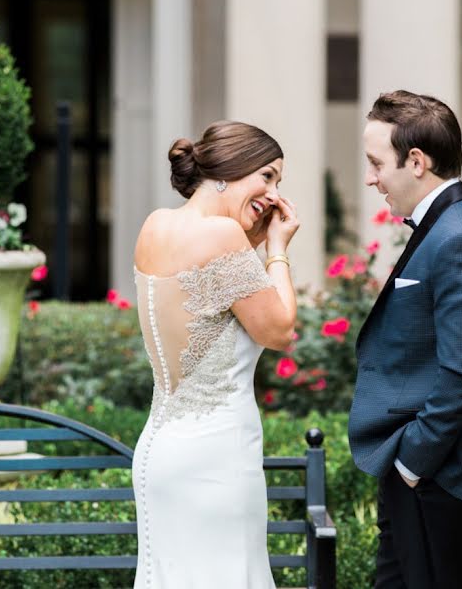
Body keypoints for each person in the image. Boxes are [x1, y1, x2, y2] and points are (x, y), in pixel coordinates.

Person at [348, 90, 462, 589]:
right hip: (424, 471)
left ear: (416, 161)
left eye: (376, 163)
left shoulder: (459, 234)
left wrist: (410, 463)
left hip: (436, 473)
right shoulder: (448, 226)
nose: (370, 178)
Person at [131, 120, 299, 588]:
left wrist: (252, 240)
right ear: (229, 170)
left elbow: (208, 292)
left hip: (158, 454)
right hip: (215, 459)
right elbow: (280, 330)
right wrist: (278, 250)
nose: (273, 192)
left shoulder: (156, 226)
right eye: (267, 175)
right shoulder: (222, 237)